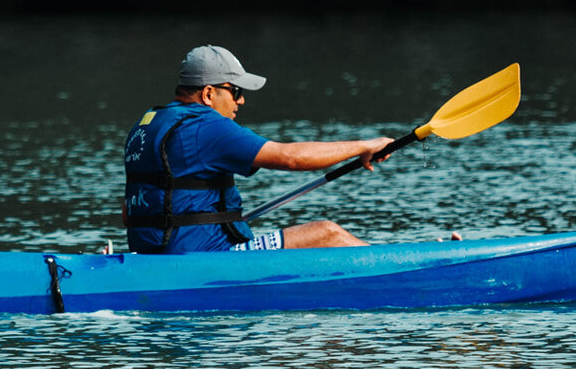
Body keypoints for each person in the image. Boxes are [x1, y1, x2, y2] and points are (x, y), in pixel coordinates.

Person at [123, 45, 394, 254]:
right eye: (236, 91)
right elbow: (291, 158)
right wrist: (365, 145)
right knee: (327, 233)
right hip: (207, 259)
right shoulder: (206, 125)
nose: (240, 101)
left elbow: (129, 213)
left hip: (154, 255)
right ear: (208, 94)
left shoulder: (146, 125)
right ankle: (399, 273)